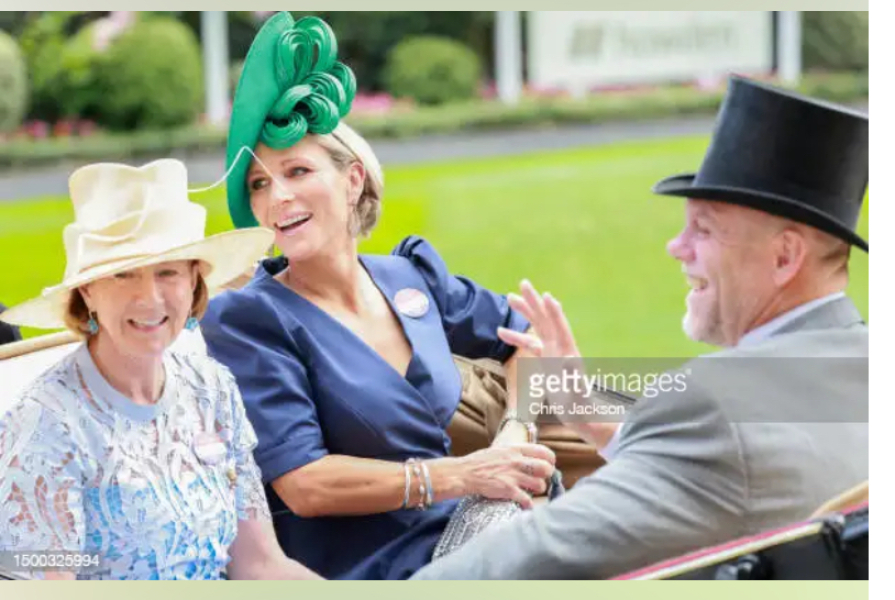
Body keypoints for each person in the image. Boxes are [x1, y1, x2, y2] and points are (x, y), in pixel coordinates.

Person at [410, 75, 869, 579]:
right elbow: (744, 470)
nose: (677, 247)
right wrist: (589, 414)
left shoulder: (715, 405)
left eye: (704, 229)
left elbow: (534, 556)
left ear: (785, 256)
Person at [198, 12, 556, 580]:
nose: (277, 197)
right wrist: (466, 475)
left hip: (469, 527)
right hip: (371, 568)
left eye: (297, 170)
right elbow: (305, 484)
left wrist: (516, 430)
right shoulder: (247, 318)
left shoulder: (410, 276)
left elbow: (527, 339)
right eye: (259, 185)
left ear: (353, 178)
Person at [0, 158, 321, 580]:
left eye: (167, 272)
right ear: (88, 292)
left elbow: (259, 564)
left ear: (194, 283)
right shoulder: (45, 422)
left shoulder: (212, 388)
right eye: (123, 275)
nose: (149, 298)